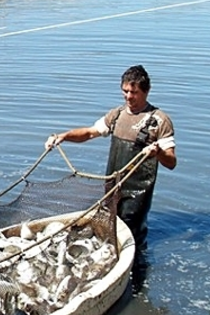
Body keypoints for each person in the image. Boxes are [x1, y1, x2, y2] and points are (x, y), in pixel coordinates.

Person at [44, 65, 177, 280]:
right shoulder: (116, 116)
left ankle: (136, 277)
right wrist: (63, 136)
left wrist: (158, 152)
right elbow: (89, 132)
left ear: (146, 91)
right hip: (113, 188)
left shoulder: (159, 121)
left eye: (134, 92)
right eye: (125, 91)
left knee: (133, 234)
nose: (128, 97)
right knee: (108, 230)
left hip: (138, 192)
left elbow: (171, 162)